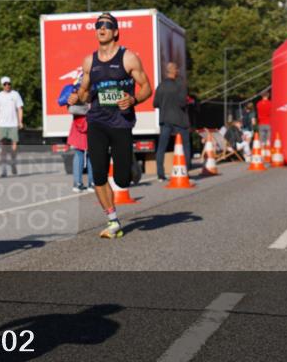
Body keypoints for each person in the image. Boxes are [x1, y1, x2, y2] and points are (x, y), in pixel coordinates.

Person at [69, 12, 151, 239]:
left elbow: (146, 87)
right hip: (96, 121)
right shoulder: (89, 61)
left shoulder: (128, 58)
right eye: (98, 26)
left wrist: (133, 100)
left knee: (122, 180)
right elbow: (85, 93)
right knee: (98, 175)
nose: (101, 29)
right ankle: (112, 220)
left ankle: (130, 164)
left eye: (106, 25)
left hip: (121, 123)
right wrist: (77, 97)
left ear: (115, 31)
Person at [154, 62, 191, 183]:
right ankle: (186, 171)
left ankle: (160, 174)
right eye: (177, 69)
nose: (178, 71)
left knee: (161, 147)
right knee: (185, 145)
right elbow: (183, 103)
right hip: (179, 120)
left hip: (165, 119)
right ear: (174, 71)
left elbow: (155, 103)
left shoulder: (160, 86)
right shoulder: (180, 85)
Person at [59, 73, 92, 192]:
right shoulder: (93, 86)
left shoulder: (74, 88)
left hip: (78, 124)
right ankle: (92, 183)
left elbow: (65, 104)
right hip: (92, 123)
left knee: (78, 153)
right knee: (92, 154)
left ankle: (77, 183)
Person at [0, 76, 24, 177]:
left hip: (13, 124)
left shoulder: (15, 94)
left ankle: (13, 163)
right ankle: (4, 169)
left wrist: (20, 121)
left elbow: (20, 109)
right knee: (3, 148)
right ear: (2, 85)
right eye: (5, 84)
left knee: (14, 146)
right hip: (1, 125)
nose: (7, 86)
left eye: (8, 84)